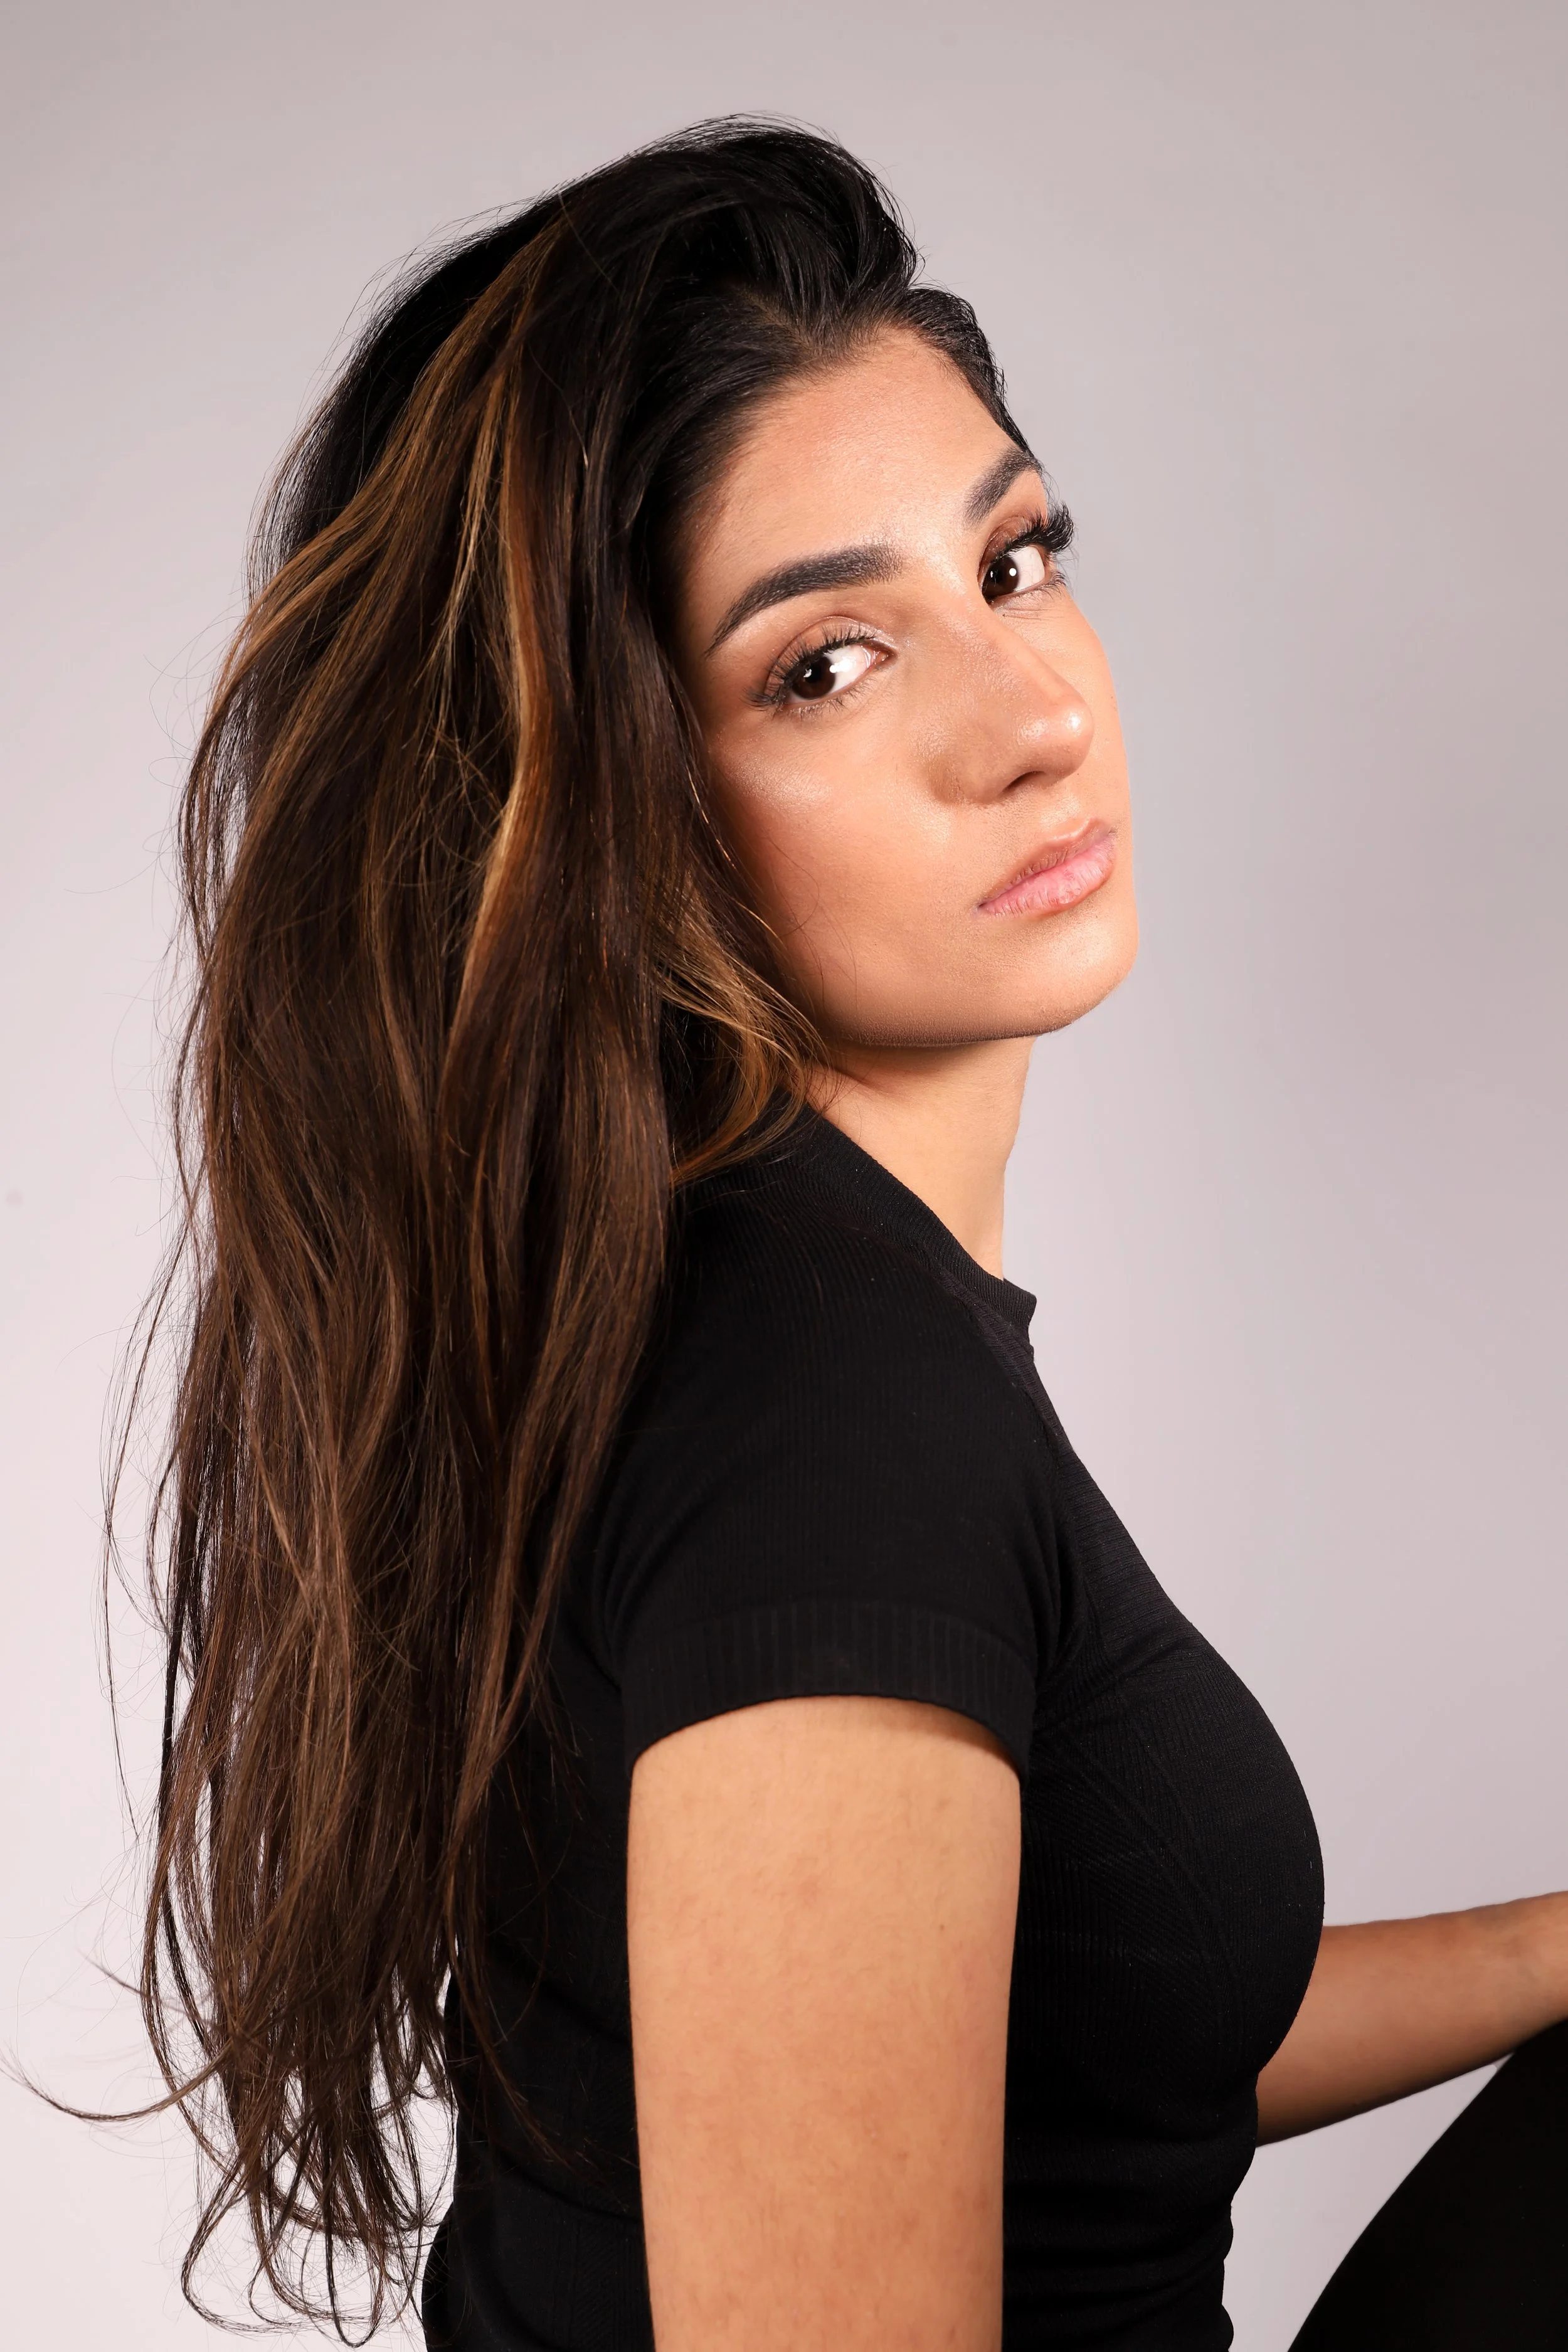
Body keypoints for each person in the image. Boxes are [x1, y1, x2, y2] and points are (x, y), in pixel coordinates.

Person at [128, 119, 1568, 2351]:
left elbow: (1081, 2041)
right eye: (825, 663)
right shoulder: (827, 1418)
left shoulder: (749, 1311)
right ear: (606, 813)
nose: (1035, 717)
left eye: (1012, 561)